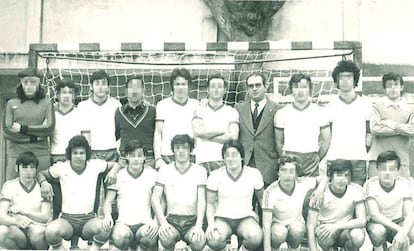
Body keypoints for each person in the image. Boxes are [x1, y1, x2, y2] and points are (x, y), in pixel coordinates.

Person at [36, 135, 121, 250]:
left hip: (88, 219)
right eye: (75, 153)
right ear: (69, 154)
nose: (78, 156)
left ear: (87, 154)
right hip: (67, 219)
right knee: (50, 232)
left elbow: (116, 164)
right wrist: (43, 183)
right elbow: (41, 174)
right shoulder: (61, 167)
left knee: (106, 227)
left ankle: (93, 249)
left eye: (82, 153)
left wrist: (114, 171)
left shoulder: (95, 165)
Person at [151, 134, 207, 251]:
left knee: (199, 241)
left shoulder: (200, 171)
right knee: (165, 238)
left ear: (190, 150)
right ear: (173, 150)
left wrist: (198, 225)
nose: (181, 151)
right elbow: (155, 198)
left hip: (191, 220)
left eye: (185, 147)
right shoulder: (164, 170)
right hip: (172, 219)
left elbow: (202, 201)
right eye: (177, 148)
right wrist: (163, 222)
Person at [206, 140, 264, 251]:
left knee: (256, 236)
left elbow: (262, 200)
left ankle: (241, 249)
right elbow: (210, 203)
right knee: (213, 239)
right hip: (223, 219)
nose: (231, 159)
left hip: (245, 218)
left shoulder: (253, 174)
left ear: (241, 156)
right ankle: (227, 248)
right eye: (227, 155)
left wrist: (267, 222)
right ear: (223, 158)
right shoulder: (215, 175)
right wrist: (211, 224)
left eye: (234, 155)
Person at [262, 155, 328, 251]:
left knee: (298, 229)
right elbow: (266, 226)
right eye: (283, 170)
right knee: (279, 233)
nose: (287, 175)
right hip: (277, 225)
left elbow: (324, 177)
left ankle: (293, 248)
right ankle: (275, 248)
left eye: (291, 171)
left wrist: (320, 190)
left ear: (297, 174)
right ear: (278, 172)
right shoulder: (270, 192)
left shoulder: (303, 183)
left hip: (295, 224)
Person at [102, 140, 158, 250]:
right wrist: (108, 215)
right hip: (124, 224)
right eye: (132, 155)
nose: (136, 159)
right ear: (127, 156)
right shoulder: (119, 175)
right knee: (119, 237)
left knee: (150, 237)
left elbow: (160, 199)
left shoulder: (152, 174)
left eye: (139, 155)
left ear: (145, 157)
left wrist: (156, 221)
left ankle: (139, 247)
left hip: (144, 223)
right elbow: (108, 202)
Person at [2, 66, 55, 180]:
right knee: (13, 191)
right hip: (16, 154)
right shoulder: (11, 103)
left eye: (33, 82)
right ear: (21, 83)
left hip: (41, 153)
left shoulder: (47, 103)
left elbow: (49, 129)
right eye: (26, 82)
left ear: (39, 83)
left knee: (43, 190)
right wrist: (36, 136)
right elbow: (6, 132)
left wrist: (22, 129)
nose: (29, 85)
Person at [325, 60, 372, 186]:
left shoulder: (365, 105)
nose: (345, 80)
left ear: (355, 80)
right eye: (341, 77)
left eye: (349, 76)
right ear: (336, 81)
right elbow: (326, 136)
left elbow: (369, 134)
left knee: (357, 196)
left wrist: (361, 150)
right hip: (335, 158)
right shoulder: (330, 106)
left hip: (358, 159)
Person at [274, 73, 331, 177]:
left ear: (309, 89)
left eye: (304, 87)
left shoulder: (320, 112)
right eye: (296, 87)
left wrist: (317, 157)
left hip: (311, 158)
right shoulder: (282, 113)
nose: (300, 91)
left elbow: (326, 140)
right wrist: (286, 158)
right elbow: (278, 142)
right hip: (290, 157)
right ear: (291, 90)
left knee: (310, 190)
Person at [307, 159, 367, 251]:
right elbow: (311, 226)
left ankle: (346, 249)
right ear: (331, 176)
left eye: (346, 175)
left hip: (345, 229)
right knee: (324, 235)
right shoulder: (320, 194)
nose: (342, 179)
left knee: (358, 235)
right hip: (326, 228)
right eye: (338, 175)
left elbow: (362, 221)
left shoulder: (355, 191)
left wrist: (336, 226)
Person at [235, 72, 279, 186]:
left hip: (268, 167)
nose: (254, 89)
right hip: (244, 166)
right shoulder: (238, 108)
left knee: (265, 203)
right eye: (251, 86)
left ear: (266, 86)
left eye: (258, 85)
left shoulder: (277, 109)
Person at [0, 151, 52, 249]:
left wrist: (24, 211)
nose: (28, 171)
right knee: (2, 231)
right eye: (24, 167)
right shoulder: (9, 186)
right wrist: (15, 221)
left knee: (37, 233)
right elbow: (1, 216)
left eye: (32, 167)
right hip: (18, 231)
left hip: (37, 229)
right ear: (17, 168)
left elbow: (45, 216)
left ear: (37, 169)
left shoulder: (44, 187)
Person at [365, 151, 414, 251]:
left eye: (392, 169)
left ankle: (392, 249)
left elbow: (410, 214)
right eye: (383, 169)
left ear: (398, 171)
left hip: (398, 221)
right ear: (377, 170)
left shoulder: (404, 184)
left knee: (411, 233)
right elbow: (374, 215)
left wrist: (403, 231)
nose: (387, 173)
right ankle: (378, 248)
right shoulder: (371, 185)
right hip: (377, 223)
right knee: (378, 232)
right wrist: (400, 230)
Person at [368, 73, 414, 178]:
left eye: (396, 85)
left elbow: (412, 130)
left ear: (401, 87)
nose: (393, 89)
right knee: (375, 191)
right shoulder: (377, 106)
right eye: (389, 85)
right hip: (378, 158)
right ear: (384, 88)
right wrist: (402, 129)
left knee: (402, 191)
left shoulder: (410, 108)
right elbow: (375, 129)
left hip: (401, 159)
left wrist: (392, 124)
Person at [192, 73, 239, 174]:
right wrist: (223, 131)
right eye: (213, 86)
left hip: (223, 160)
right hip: (202, 160)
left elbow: (233, 137)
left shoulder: (231, 111)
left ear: (225, 90)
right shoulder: (199, 110)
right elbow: (198, 132)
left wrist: (206, 136)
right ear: (208, 90)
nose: (216, 89)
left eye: (220, 86)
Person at [154, 68, 199, 169]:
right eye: (177, 84)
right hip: (167, 155)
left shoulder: (196, 105)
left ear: (189, 86)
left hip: (191, 155)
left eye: (184, 84)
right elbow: (158, 132)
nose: (180, 87)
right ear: (172, 86)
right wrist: (158, 158)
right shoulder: (162, 105)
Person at [77, 69, 121, 162]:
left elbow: (119, 131)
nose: (100, 87)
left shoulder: (116, 104)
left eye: (104, 83)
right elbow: (84, 133)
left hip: (112, 152)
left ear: (108, 87)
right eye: (97, 83)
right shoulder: (83, 106)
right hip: (92, 153)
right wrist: (87, 155)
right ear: (91, 86)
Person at [115, 76, 156, 168]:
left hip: (147, 160)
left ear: (143, 91)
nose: (134, 91)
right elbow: (116, 136)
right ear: (125, 91)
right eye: (131, 88)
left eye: (138, 88)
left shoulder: (153, 111)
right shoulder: (118, 112)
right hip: (125, 160)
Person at [50, 78, 81, 163]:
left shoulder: (81, 113)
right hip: (55, 156)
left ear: (74, 95)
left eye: (70, 92)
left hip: (74, 157)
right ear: (57, 95)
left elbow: (86, 139)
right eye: (64, 92)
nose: (67, 95)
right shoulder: (51, 114)